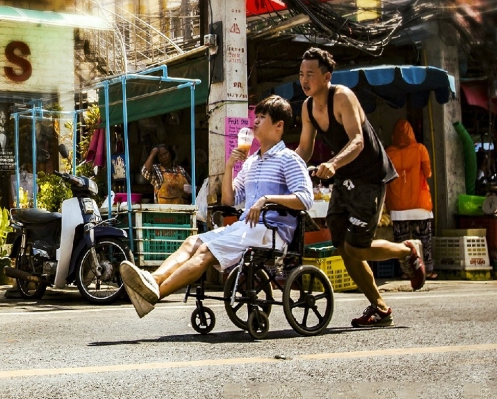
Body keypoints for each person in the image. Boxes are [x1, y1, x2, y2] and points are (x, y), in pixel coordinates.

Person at [119, 95, 313, 318]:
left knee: (206, 250)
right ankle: (152, 281)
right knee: (193, 241)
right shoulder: (251, 162)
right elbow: (229, 201)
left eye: (262, 117)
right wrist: (231, 165)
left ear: (279, 125)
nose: (255, 121)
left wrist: (266, 199)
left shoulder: (289, 159)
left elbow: (305, 198)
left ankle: (154, 295)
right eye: (256, 116)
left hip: (270, 231)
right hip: (246, 228)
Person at [295, 47, 424, 329]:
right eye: (302, 74)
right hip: (345, 178)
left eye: (311, 75)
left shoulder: (342, 96)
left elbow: (357, 141)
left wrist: (332, 163)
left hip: (369, 177)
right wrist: (281, 165)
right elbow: (304, 148)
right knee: (342, 246)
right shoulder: (307, 107)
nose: (305, 80)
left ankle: (408, 251)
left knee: (357, 247)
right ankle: (381, 309)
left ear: (327, 76)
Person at [386, 120, 436, 280]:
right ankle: (427, 270)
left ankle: (406, 272)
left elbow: (384, 176)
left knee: (403, 243)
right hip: (420, 204)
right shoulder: (420, 149)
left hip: (398, 206)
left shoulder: (388, 152)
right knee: (424, 240)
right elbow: (428, 173)